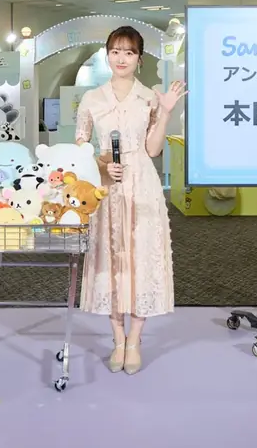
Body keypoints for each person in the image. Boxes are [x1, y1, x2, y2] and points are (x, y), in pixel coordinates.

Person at [74, 25, 187, 375]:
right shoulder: (92, 99)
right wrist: (102, 165)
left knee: (141, 259)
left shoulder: (149, 97)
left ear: (139, 58)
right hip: (106, 188)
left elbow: (152, 149)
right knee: (110, 259)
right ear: (107, 55)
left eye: (129, 52)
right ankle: (117, 339)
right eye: (115, 51)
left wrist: (165, 112)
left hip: (143, 186)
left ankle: (135, 340)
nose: (121, 58)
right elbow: (80, 148)